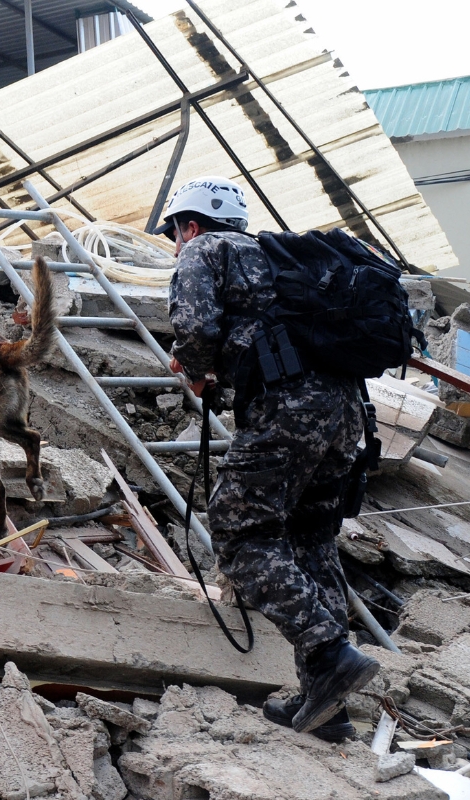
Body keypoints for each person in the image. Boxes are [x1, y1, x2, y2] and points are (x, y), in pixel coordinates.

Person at [156, 176, 379, 740]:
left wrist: (197, 371)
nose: (177, 244)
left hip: (289, 409)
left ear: (189, 225)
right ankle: (327, 705)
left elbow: (194, 326)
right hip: (346, 411)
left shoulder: (205, 249)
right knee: (310, 540)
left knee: (240, 532)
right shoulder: (276, 258)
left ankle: (328, 652)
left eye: (175, 233)